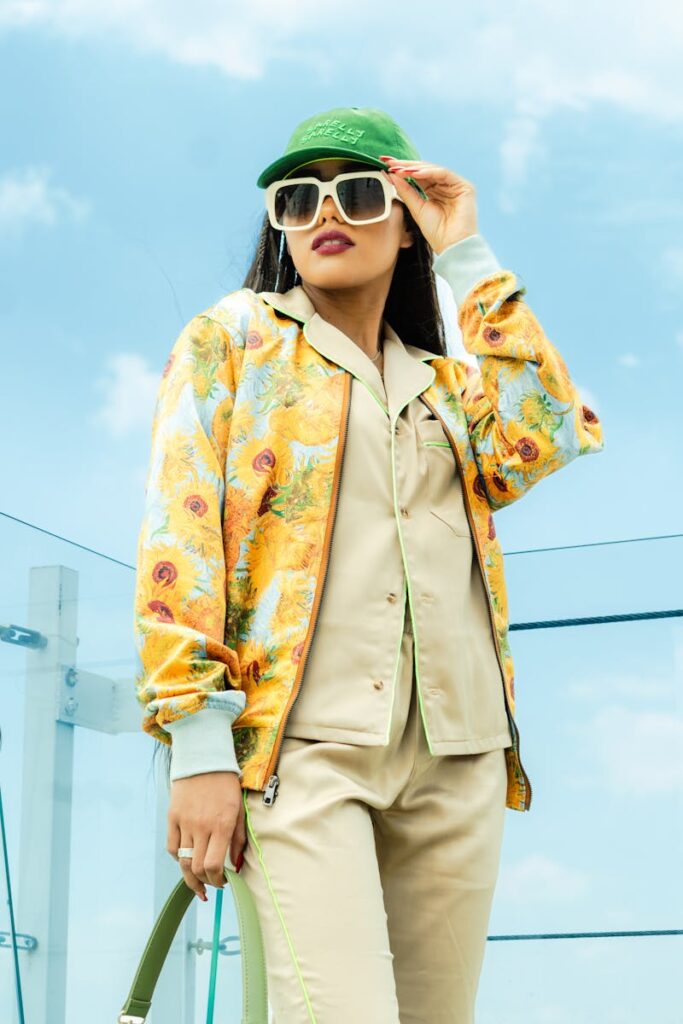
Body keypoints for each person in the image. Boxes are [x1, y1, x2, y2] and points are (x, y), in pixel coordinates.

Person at [133, 106, 604, 1022]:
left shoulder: (450, 384)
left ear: (403, 220)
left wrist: (465, 251)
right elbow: (179, 547)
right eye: (294, 200)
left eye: (353, 192)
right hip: (305, 757)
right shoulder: (232, 343)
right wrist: (198, 752)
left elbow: (549, 432)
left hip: (458, 756)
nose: (322, 214)